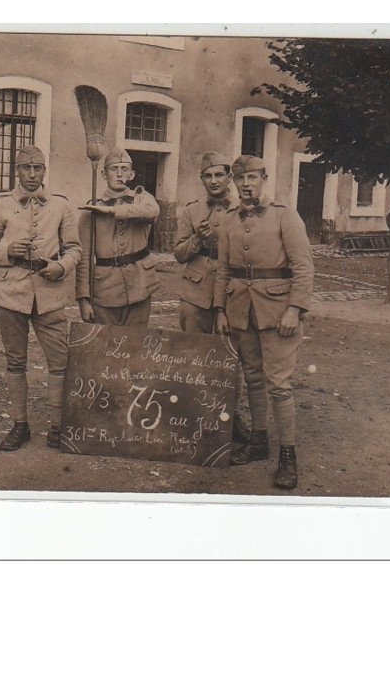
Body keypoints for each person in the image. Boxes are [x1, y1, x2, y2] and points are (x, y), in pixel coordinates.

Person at [214, 154, 314, 489]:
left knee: (279, 384)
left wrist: (295, 309)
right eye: (240, 179)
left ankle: (288, 455)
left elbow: (303, 267)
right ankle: (259, 441)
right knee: (253, 378)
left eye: (252, 178)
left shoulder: (285, 216)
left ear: (264, 178)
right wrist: (220, 310)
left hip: (278, 310)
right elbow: (223, 269)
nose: (245, 184)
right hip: (241, 309)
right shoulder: (229, 218)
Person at [0, 145, 81, 451]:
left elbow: (75, 249)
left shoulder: (61, 206)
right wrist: (7, 251)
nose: (32, 175)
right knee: (15, 361)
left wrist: (60, 267)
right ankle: (20, 425)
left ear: (45, 171)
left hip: (50, 293)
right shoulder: (1, 205)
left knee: (59, 361)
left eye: (38, 169)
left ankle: (58, 426)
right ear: (16, 171)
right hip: (10, 292)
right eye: (25, 169)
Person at [173, 151, 249, 454]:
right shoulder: (191, 212)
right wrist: (197, 241)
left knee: (232, 356)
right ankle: (195, 418)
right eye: (208, 175)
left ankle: (231, 418)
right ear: (202, 179)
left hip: (232, 292)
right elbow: (178, 254)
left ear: (229, 177)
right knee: (193, 356)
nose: (214, 181)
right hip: (195, 293)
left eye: (219, 174)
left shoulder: (244, 208)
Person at [76, 148, 160, 326]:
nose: (120, 174)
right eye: (114, 169)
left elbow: (153, 211)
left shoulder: (142, 198)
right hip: (105, 290)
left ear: (132, 174)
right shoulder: (92, 209)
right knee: (106, 347)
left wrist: (113, 211)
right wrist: (83, 299)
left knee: (136, 345)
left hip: (140, 286)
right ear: (103, 174)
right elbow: (84, 259)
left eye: (124, 169)